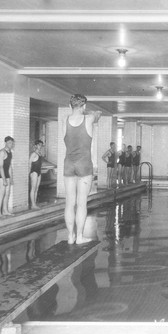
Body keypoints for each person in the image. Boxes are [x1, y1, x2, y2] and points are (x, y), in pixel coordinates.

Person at [62, 93, 101, 244]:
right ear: (84, 106)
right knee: (82, 202)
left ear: (69, 106)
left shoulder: (64, 120)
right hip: (84, 164)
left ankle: (70, 237)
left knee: (69, 203)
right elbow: (98, 115)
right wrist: (89, 112)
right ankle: (79, 237)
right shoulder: (89, 119)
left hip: (68, 163)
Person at [0, 136, 15, 217]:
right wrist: (4, 179)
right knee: (2, 192)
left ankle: (5, 210)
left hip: (6, 173)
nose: (11, 144)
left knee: (7, 193)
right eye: (9, 143)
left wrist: (11, 178)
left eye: (12, 143)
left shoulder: (10, 152)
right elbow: (0, 167)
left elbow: (9, 166)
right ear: (5, 143)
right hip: (0, 173)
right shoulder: (2, 152)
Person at [29, 140, 44, 209]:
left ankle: (34, 204)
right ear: (36, 146)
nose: (40, 146)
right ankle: (33, 204)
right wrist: (30, 173)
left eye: (41, 145)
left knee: (37, 189)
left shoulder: (40, 154)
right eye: (39, 145)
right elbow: (29, 164)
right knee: (33, 188)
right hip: (34, 172)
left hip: (39, 172)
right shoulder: (33, 154)